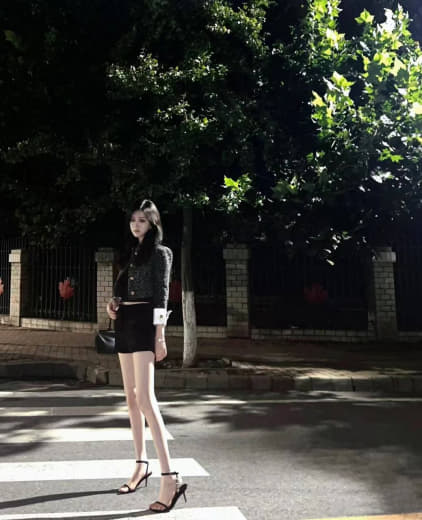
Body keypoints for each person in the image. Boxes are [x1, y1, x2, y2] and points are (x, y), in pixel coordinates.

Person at [106, 199, 187, 513]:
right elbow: (121, 289)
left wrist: (160, 334)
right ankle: (141, 465)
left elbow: (162, 295)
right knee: (130, 396)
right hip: (124, 322)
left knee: (145, 398)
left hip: (144, 325)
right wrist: (113, 304)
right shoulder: (131, 252)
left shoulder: (160, 253)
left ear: (152, 224)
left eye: (142, 220)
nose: (136, 224)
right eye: (133, 220)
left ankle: (170, 477)